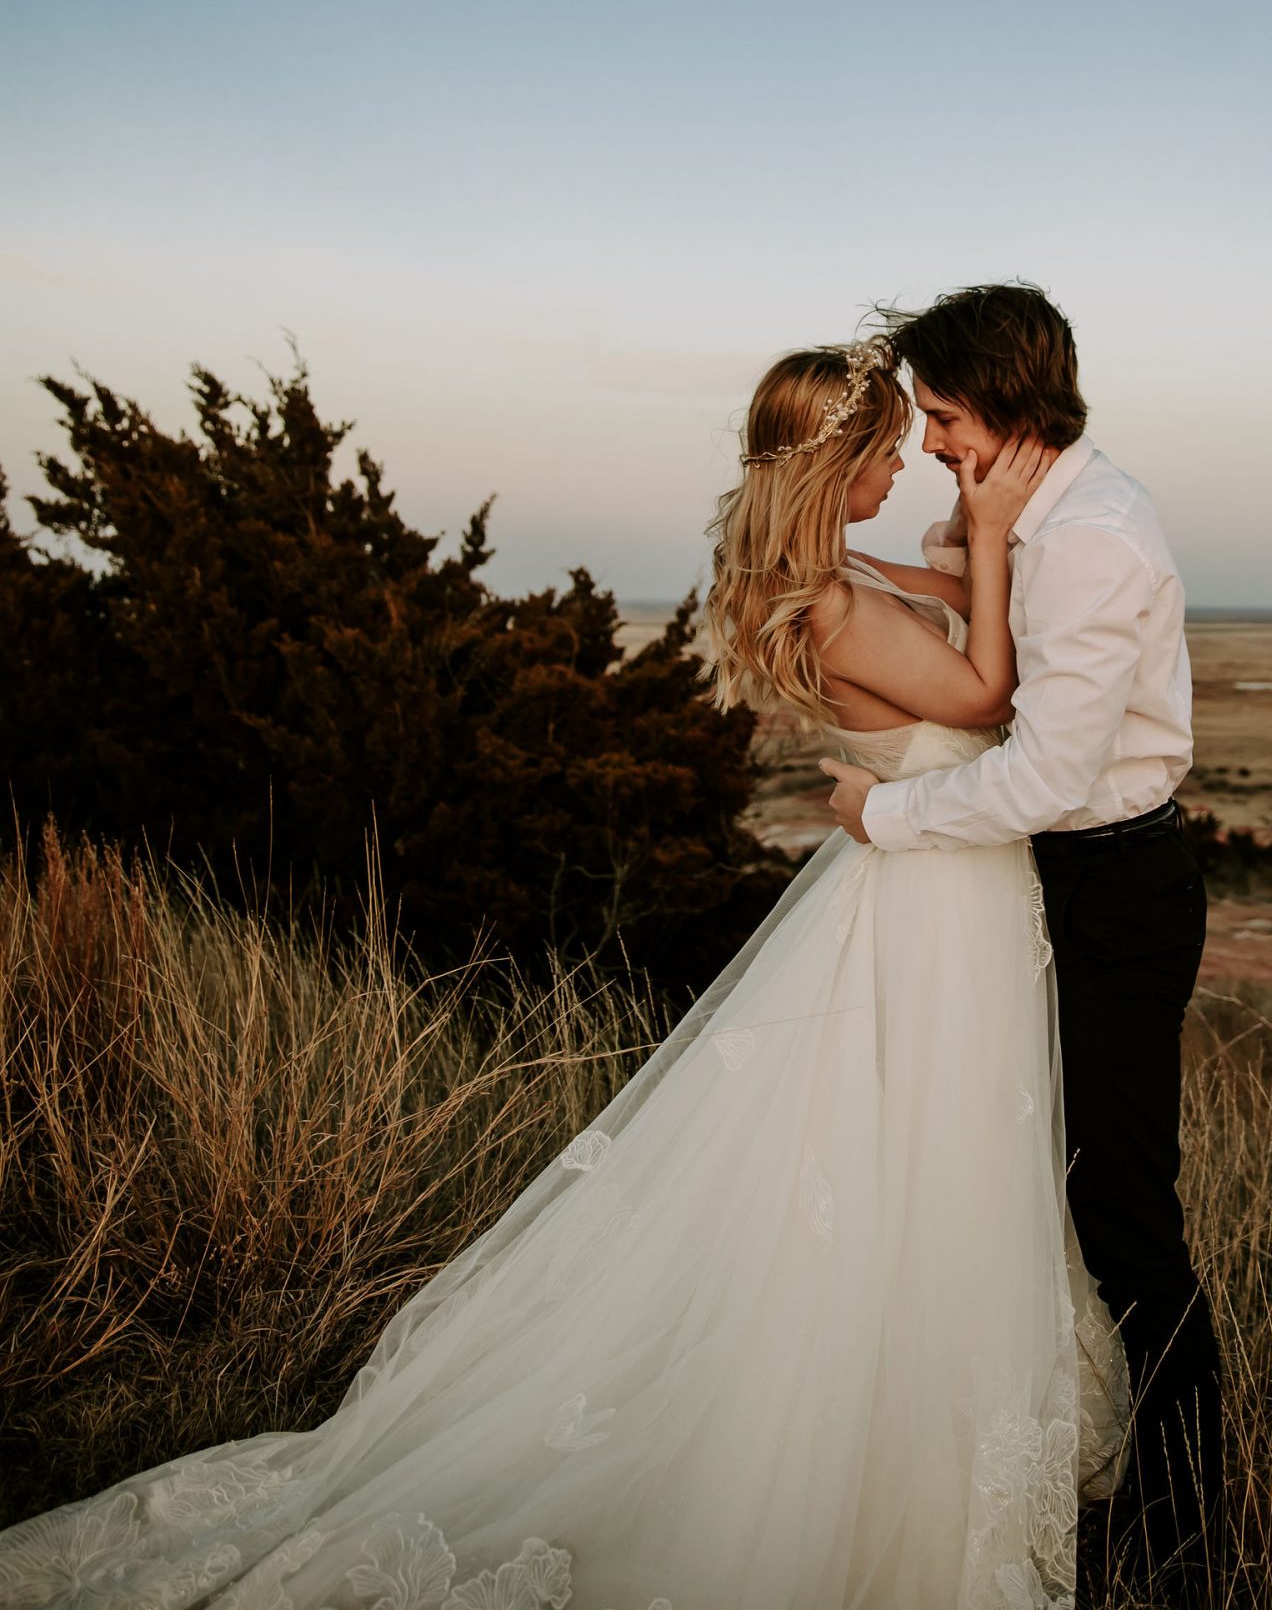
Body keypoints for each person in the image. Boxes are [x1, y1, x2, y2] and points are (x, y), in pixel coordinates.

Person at [0, 339, 1128, 1610]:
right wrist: (981, 528)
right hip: (933, 913)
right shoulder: (828, 602)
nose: (901, 470)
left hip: (945, 895)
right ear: (834, 465)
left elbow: (944, 627)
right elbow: (992, 685)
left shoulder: (821, 570)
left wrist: (962, 546)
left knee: (932, 1166)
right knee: (924, 1167)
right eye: (881, 454)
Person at [821, 285, 1221, 1593]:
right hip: (1055, 885)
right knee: (1034, 1175)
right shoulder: (1024, 512)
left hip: (1111, 889)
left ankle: (1192, 1520)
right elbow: (952, 586)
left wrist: (885, 811)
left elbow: (1045, 777)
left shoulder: (1094, 538)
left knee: (1119, 1206)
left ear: (998, 399)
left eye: (939, 415)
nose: (931, 441)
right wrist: (890, 560)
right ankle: (1058, 1448)